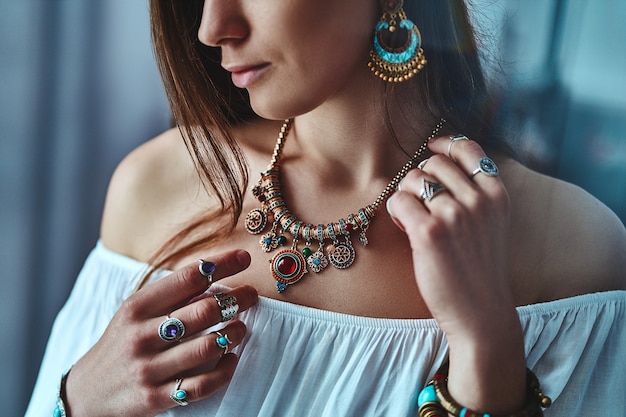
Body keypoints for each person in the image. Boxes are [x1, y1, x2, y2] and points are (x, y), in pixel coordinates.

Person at [27, 1, 626, 416]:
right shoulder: (156, 188)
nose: (212, 26)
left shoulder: (571, 248)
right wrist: (76, 401)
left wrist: (485, 344)